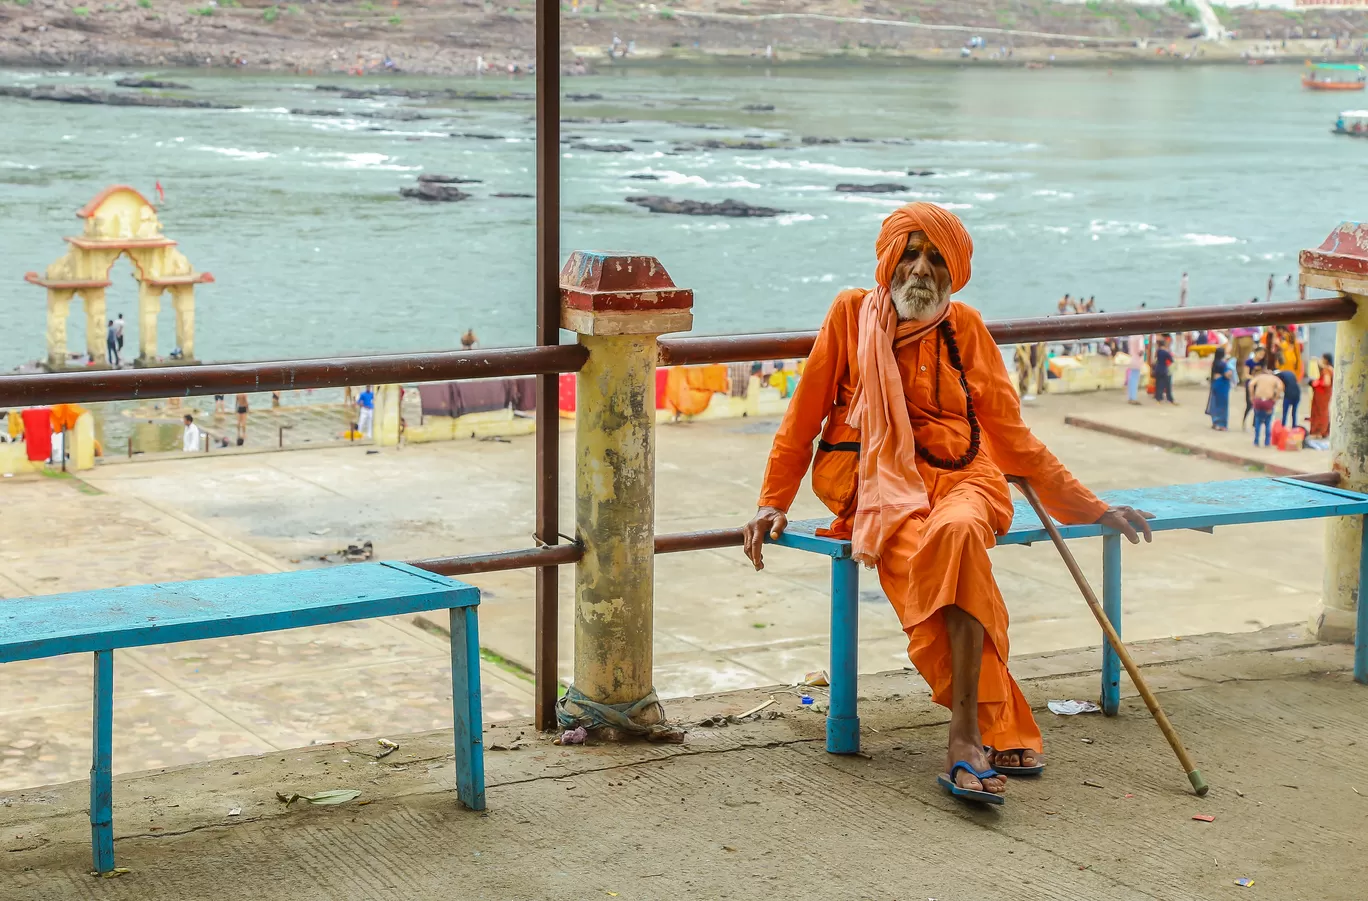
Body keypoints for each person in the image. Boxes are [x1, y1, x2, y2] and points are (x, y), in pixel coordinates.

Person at [742, 202, 1153, 804]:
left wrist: (1088, 505)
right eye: (909, 254)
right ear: (889, 261)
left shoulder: (966, 328)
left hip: (967, 481)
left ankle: (963, 737)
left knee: (957, 535)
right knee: (935, 557)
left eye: (935, 258)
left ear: (954, 270)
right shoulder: (850, 314)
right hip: (879, 490)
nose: (920, 270)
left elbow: (1012, 436)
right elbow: (802, 416)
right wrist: (773, 500)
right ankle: (992, 726)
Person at [1247, 363, 1283, 447]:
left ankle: (1256, 441)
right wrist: (1276, 398)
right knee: (1268, 422)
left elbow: (1251, 384)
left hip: (1258, 400)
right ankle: (1267, 442)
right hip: (1268, 401)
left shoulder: (1259, 377)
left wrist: (1252, 396)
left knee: (1258, 421)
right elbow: (1280, 387)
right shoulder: (1275, 378)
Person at [1204, 348, 1235, 431]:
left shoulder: (1215, 363)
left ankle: (1215, 422)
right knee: (1223, 405)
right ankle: (1221, 424)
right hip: (1222, 384)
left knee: (1215, 403)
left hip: (1215, 383)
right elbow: (1227, 375)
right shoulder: (1223, 364)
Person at [1310, 352, 1334, 438]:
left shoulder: (1326, 370)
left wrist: (1316, 383)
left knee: (1320, 412)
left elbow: (1327, 382)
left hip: (1322, 393)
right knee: (1324, 411)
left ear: (1325, 360)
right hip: (1326, 393)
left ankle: (1319, 432)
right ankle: (1324, 431)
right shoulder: (1330, 368)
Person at [1275, 358, 1302, 428]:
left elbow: (1280, 387)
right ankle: (1294, 427)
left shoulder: (1279, 377)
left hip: (1289, 395)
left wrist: (1277, 395)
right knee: (1294, 412)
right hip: (1297, 394)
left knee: (1285, 412)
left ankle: (1283, 427)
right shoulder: (1289, 373)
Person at [1151, 336, 1176, 404]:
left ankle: (1158, 398)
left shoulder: (1158, 351)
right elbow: (1171, 359)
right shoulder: (1165, 352)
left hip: (1157, 369)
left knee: (1159, 385)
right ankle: (1169, 398)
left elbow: (1155, 359)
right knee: (1167, 385)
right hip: (1164, 369)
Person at [1125, 333, 1145, 405]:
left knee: (1131, 378)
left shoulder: (1131, 336)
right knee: (1135, 379)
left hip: (1131, 359)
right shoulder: (1140, 337)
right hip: (1137, 360)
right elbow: (1141, 350)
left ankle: (1130, 397)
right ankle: (1133, 398)